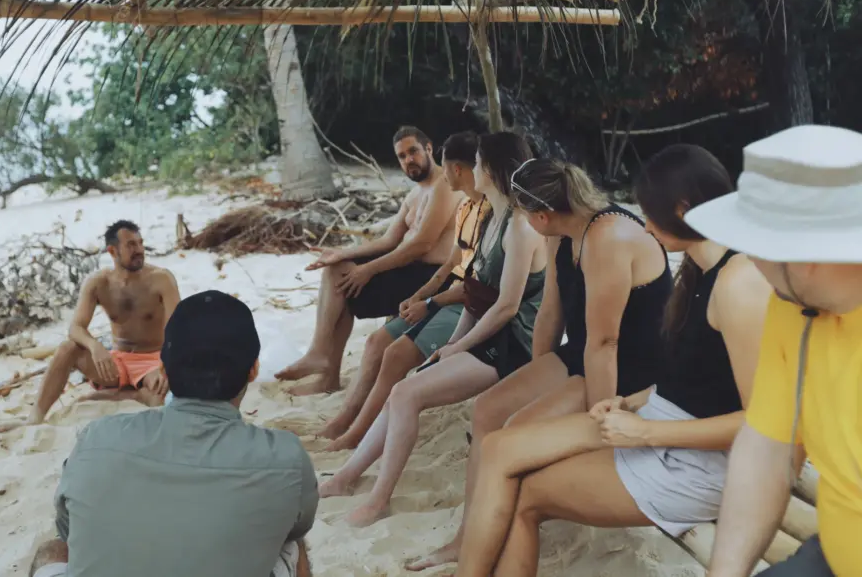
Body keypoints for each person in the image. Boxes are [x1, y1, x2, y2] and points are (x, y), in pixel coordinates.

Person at [449, 144, 772, 577]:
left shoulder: (738, 285)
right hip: (656, 418)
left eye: (651, 215)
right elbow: (692, 379)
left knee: (525, 494)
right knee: (497, 447)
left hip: (695, 462)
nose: (645, 226)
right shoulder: (696, 270)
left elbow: (762, 427)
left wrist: (644, 430)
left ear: (683, 208)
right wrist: (631, 404)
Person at [408, 158, 672, 571]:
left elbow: (606, 343)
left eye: (523, 213)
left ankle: (501, 532)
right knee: (489, 409)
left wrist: (597, 427)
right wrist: (533, 377)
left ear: (543, 215)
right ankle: (468, 536)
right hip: (584, 352)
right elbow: (551, 313)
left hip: (629, 366)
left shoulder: (608, 237)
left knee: (516, 430)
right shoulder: (561, 232)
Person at [318, 131, 547, 528]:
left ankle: (378, 499)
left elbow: (507, 307)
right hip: (484, 335)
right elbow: (476, 296)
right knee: (400, 391)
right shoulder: (491, 218)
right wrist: (455, 341)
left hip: (511, 344)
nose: (469, 170)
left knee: (407, 393)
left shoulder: (520, 227)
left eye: (477, 164)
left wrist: (459, 348)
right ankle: (346, 477)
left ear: (491, 169)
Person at [28, 290, 319, 577]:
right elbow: (296, 524)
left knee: (53, 552)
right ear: (253, 370)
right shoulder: (286, 458)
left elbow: (68, 529)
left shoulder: (96, 439)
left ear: (163, 369)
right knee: (290, 544)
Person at [678, 126, 862, 577]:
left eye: (753, 243)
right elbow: (766, 449)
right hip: (837, 550)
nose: (748, 259)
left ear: (804, 257)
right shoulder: (794, 310)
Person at [319, 131, 491, 449]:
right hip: (446, 294)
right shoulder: (467, 209)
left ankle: (356, 434)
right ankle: (345, 420)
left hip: (469, 305)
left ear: (456, 169)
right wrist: (419, 296)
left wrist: (432, 301)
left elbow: (481, 285)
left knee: (395, 354)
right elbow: (448, 268)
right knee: (374, 342)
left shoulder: (491, 216)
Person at [274, 126, 460, 395]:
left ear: (429, 149)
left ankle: (321, 357)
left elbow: (422, 244)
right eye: (402, 156)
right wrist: (342, 254)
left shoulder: (444, 186)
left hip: (433, 277)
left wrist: (367, 270)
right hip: (411, 268)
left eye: (413, 152)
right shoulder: (415, 194)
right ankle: (326, 370)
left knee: (347, 281)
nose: (409, 160)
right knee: (338, 272)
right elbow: (388, 241)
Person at [0, 220, 180, 433]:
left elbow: (177, 329)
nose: (139, 250)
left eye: (140, 243)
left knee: (159, 399)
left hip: (152, 361)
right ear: (113, 251)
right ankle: (34, 418)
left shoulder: (161, 279)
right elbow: (75, 328)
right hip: (116, 361)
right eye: (131, 245)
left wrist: (164, 367)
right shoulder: (99, 282)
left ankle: (130, 395)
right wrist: (95, 347)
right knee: (68, 348)